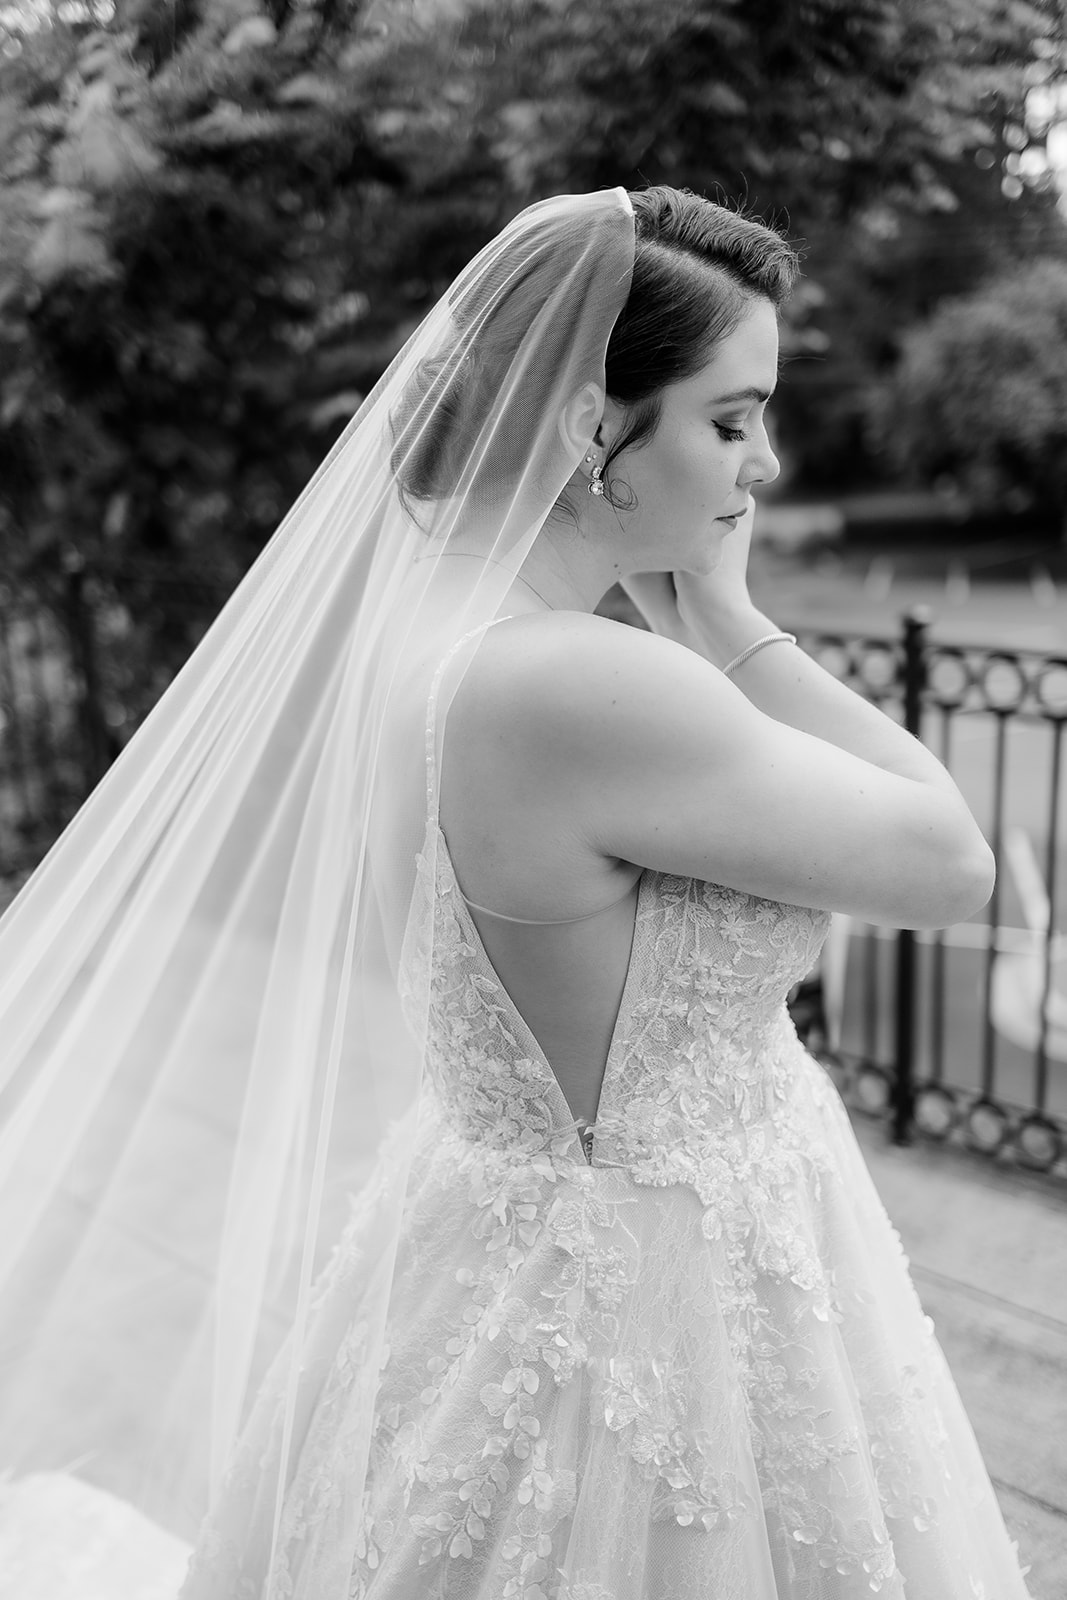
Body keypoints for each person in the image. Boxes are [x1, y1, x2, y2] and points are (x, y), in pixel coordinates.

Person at [0, 187, 1034, 1600]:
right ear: (590, 427)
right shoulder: (577, 682)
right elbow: (951, 860)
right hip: (660, 1293)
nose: (767, 463)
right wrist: (734, 622)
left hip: (508, 1229)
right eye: (732, 420)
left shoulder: (446, 634)